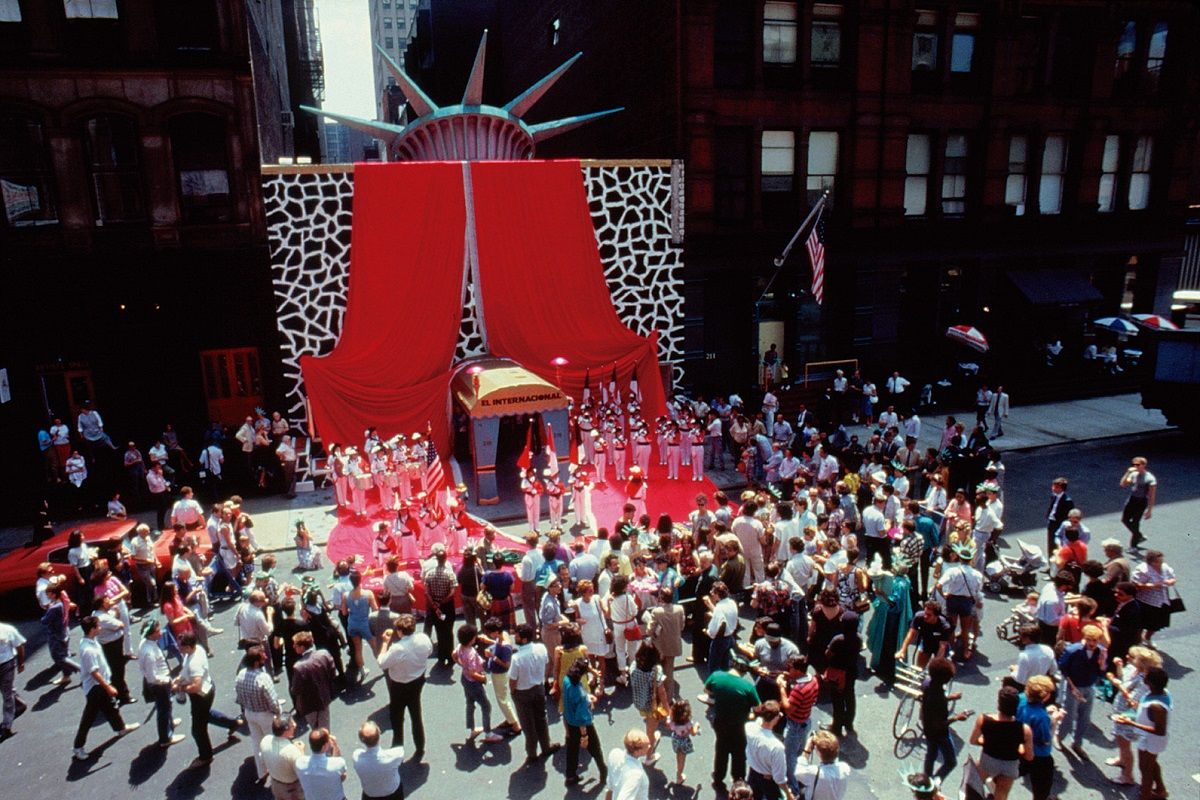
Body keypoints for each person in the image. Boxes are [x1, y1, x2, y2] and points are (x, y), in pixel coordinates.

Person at [72, 615, 140, 760]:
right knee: (88, 718)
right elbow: (94, 672)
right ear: (92, 629)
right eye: (98, 626)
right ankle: (78, 747)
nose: (101, 628)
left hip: (100, 686)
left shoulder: (90, 641)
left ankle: (121, 728)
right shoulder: (88, 650)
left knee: (111, 708)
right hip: (96, 688)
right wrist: (108, 687)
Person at [1114, 666, 1170, 800]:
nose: (1143, 676)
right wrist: (1135, 706)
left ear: (1149, 682)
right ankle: (1161, 790)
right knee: (1151, 764)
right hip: (1147, 737)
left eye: (1146, 675)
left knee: (1145, 769)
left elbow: (1159, 730)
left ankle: (1145, 795)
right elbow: (1148, 714)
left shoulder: (1156, 706)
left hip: (1152, 739)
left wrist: (1131, 723)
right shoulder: (1160, 693)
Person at [378, 613, 432, 753]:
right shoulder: (423, 638)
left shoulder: (398, 648)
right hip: (418, 681)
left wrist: (385, 643)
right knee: (416, 715)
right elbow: (429, 651)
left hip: (399, 686)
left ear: (400, 631)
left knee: (397, 718)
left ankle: (397, 748)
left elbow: (382, 663)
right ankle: (420, 747)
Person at [1107, 646, 1161, 786]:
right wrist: (1119, 668)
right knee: (1120, 740)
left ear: (1141, 662)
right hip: (1120, 711)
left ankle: (1127, 776)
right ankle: (1121, 759)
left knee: (1125, 744)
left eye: (1131, 657)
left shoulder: (1145, 681)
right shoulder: (1133, 670)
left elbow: (1134, 701)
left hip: (1128, 716)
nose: (1127, 657)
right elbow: (1123, 677)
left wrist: (1118, 685)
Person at [969, 686, 1032, 800]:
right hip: (1010, 766)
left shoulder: (984, 719)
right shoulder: (1024, 729)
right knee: (1001, 795)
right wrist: (1019, 748)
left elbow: (973, 740)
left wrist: (985, 742)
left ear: (999, 703)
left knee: (972, 786)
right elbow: (1029, 756)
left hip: (988, 761)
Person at [705, 661, 760, 790]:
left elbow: (707, 690)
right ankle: (738, 779)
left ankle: (718, 777)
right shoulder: (748, 687)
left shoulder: (716, 676)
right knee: (739, 754)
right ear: (744, 672)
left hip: (720, 722)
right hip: (739, 726)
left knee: (721, 750)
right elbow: (757, 708)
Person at [510, 623, 558, 765]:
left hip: (522, 693)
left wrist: (513, 692)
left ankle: (532, 753)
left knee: (527, 724)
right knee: (541, 719)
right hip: (538, 688)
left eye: (517, 636)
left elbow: (513, 680)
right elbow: (548, 664)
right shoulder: (541, 648)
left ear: (524, 639)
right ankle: (546, 746)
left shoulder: (516, 658)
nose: (515, 638)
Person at [236, 645, 284, 780]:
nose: (266, 657)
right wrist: (278, 713)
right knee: (273, 743)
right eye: (263, 657)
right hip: (265, 715)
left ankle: (262, 771)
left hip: (249, 713)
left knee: (257, 742)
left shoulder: (240, 674)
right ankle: (278, 772)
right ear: (256, 662)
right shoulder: (263, 678)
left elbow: (239, 697)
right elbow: (273, 701)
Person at [1057, 623, 1106, 755]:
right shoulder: (1073, 650)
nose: (1092, 643)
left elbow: (1101, 673)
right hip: (1074, 687)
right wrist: (1072, 687)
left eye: (1095, 640)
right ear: (1084, 638)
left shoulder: (1099, 652)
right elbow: (1063, 668)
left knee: (1085, 718)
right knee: (1069, 716)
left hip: (1089, 686)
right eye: (1089, 640)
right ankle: (1059, 737)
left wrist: (1102, 665)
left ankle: (1077, 743)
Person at [137, 620, 185, 748]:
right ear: (151, 634)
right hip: (159, 684)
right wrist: (168, 681)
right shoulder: (148, 653)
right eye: (158, 631)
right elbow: (153, 678)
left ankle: (170, 723)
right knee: (163, 709)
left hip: (162, 680)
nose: (161, 632)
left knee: (167, 704)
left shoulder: (148, 643)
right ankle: (165, 738)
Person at [921, 656, 969, 780]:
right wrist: (957, 718)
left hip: (927, 726)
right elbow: (940, 724)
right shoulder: (939, 700)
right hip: (939, 733)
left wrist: (950, 697)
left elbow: (933, 697)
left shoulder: (927, 683)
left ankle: (927, 778)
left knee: (931, 754)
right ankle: (935, 783)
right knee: (951, 762)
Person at [562, 657, 606, 785]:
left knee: (572, 749)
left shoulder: (567, 680)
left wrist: (587, 697)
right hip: (582, 725)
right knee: (595, 748)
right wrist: (584, 735)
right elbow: (582, 716)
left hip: (570, 720)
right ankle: (603, 772)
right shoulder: (579, 693)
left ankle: (570, 776)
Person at [1015, 675, 1057, 800]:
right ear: (1045, 696)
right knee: (1042, 782)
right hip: (1038, 753)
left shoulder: (1020, 698)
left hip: (1019, 745)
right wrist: (1054, 719)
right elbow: (1044, 739)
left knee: (1018, 769)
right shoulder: (1041, 716)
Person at [290, 631, 336, 732]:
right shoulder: (324, 654)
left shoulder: (298, 666)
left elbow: (295, 690)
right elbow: (333, 674)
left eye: (296, 645)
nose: (293, 647)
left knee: (316, 731)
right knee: (325, 729)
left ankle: (323, 747)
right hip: (324, 698)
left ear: (302, 647)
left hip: (309, 705)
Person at [824, 611, 861, 738]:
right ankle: (848, 724)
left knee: (837, 701)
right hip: (851, 672)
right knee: (850, 697)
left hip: (837, 674)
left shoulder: (838, 639)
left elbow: (828, 654)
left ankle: (837, 727)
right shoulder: (858, 639)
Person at [422, 544, 458, 666]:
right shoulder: (450, 574)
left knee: (439, 631)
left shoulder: (429, 574)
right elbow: (452, 592)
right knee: (448, 631)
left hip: (434, 607)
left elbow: (426, 592)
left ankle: (441, 656)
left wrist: (434, 605)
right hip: (447, 606)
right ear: (445, 559)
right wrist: (442, 602)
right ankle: (450, 655)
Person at [1131, 550, 1175, 647]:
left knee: (1157, 624)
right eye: (1158, 561)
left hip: (1162, 600)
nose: (1161, 563)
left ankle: (1147, 638)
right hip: (1146, 601)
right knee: (1142, 623)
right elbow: (1137, 584)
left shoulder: (1164, 567)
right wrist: (1153, 585)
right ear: (1151, 562)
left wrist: (1171, 581)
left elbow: (1172, 577)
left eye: (1161, 561)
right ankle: (1137, 640)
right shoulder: (1143, 570)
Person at [352, 720, 405, 800]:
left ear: (362, 740)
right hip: (393, 795)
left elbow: (358, 752)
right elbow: (401, 751)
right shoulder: (394, 755)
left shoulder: (357, 758)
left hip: (370, 796)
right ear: (379, 734)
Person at [341, 570, 378, 685]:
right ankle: (383, 665)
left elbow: (344, 612)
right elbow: (375, 610)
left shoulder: (346, 595)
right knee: (375, 646)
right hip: (365, 624)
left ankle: (362, 671)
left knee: (357, 648)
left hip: (353, 624)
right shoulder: (368, 594)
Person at [794, 730, 851, 800]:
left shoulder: (815, 773)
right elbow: (832, 757)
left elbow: (796, 771)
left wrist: (807, 751)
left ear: (819, 753)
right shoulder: (844, 768)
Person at [295, 727, 347, 800]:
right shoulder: (338, 763)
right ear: (324, 746)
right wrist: (335, 745)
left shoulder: (299, 763)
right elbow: (343, 776)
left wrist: (301, 751)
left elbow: (302, 762)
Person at [897, 601, 952, 668]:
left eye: (929, 615)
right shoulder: (919, 617)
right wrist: (902, 650)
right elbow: (911, 634)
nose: (925, 616)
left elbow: (942, 646)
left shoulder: (944, 626)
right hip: (926, 643)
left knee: (938, 669)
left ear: (936, 616)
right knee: (919, 668)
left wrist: (936, 663)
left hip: (939, 646)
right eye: (925, 613)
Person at [0, 619, 27, 739]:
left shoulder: (7, 630)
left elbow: (19, 645)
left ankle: (7, 725)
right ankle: (20, 703)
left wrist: (21, 663)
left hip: (6, 665)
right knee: (8, 690)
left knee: (7, 695)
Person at [606, 728, 651, 800]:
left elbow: (610, 786)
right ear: (637, 752)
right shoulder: (635, 775)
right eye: (647, 746)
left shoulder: (614, 753)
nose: (649, 747)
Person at [667, 698, 699, 785]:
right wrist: (697, 725)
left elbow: (669, 726)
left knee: (678, 756)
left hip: (675, 740)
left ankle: (679, 774)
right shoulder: (688, 723)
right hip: (684, 741)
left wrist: (670, 716)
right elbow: (693, 733)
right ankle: (679, 776)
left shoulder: (672, 721)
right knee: (682, 760)